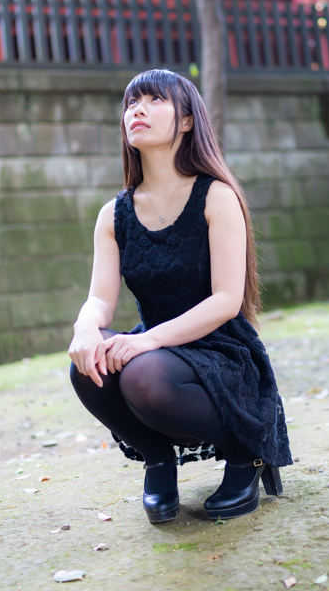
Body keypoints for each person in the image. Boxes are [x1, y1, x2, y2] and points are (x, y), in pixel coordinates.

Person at [69, 68, 292, 523]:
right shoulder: (114, 214)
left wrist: (147, 341)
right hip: (158, 347)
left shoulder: (216, 196)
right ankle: (158, 461)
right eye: (132, 103)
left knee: (142, 376)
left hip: (220, 349)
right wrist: (85, 327)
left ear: (187, 121)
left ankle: (245, 452)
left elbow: (226, 300)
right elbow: (100, 299)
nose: (138, 110)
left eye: (155, 100)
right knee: (87, 368)